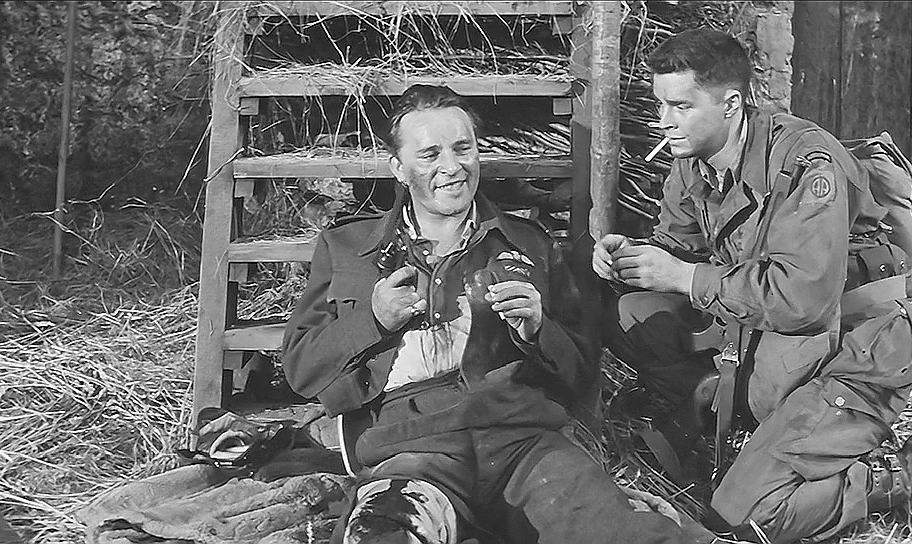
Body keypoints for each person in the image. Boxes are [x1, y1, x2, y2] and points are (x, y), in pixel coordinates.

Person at [594, 29, 912, 543]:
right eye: (660, 104)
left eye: (680, 106)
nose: (663, 121)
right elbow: (680, 248)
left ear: (730, 104)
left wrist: (682, 276)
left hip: (850, 354)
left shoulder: (807, 164)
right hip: (773, 342)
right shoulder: (694, 158)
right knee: (627, 308)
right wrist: (629, 258)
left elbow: (801, 298)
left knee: (746, 517)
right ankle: (721, 409)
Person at [283, 84, 712, 544]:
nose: (452, 167)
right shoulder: (348, 248)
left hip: (524, 445)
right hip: (409, 451)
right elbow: (302, 370)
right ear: (399, 169)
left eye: (462, 148)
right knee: (385, 535)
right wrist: (373, 320)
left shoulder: (530, 244)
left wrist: (537, 330)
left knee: (623, 533)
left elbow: (581, 374)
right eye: (429, 154)